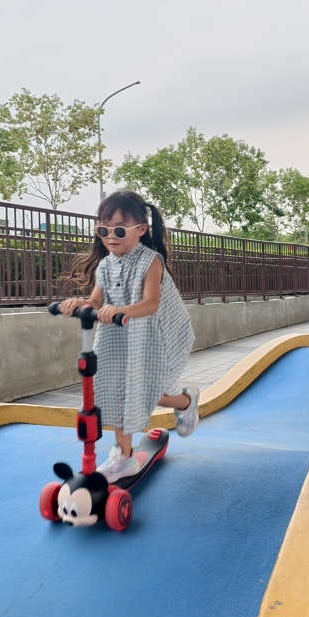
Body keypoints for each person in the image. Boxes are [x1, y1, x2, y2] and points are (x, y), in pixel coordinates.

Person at [58, 190, 199, 483]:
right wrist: (78, 304)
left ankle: (185, 403)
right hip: (119, 337)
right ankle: (124, 455)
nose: (110, 236)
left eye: (119, 230)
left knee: (143, 392)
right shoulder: (106, 264)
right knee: (118, 390)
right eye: (103, 230)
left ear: (141, 230)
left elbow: (151, 303)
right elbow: (95, 302)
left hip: (154, 336)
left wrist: (120, 309)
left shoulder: (151, 261)